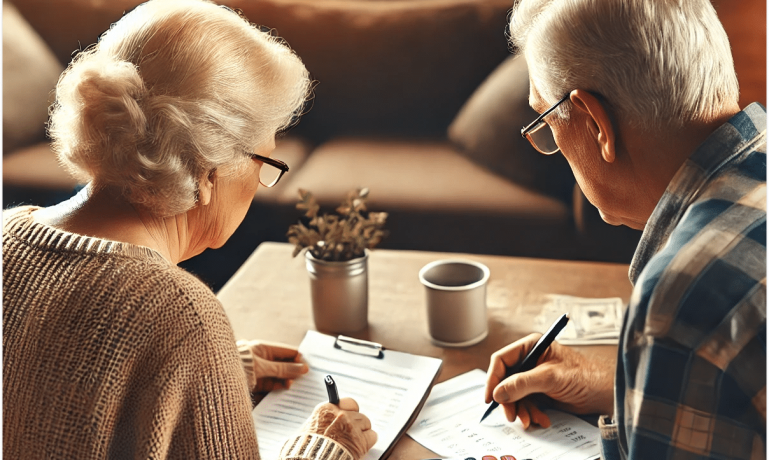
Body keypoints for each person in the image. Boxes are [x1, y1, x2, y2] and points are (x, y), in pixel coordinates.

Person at [1, 1, 377, 459]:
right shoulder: (181, 316)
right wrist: (327, 445)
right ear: (209, 169)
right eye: (265, 161)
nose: (261, 184)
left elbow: (39, 392)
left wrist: (210, 376)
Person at [484, 1, 766, 459]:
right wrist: (624, 382)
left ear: (596, 125)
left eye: (546, 121)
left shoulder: (682, 303)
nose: (550, 142)